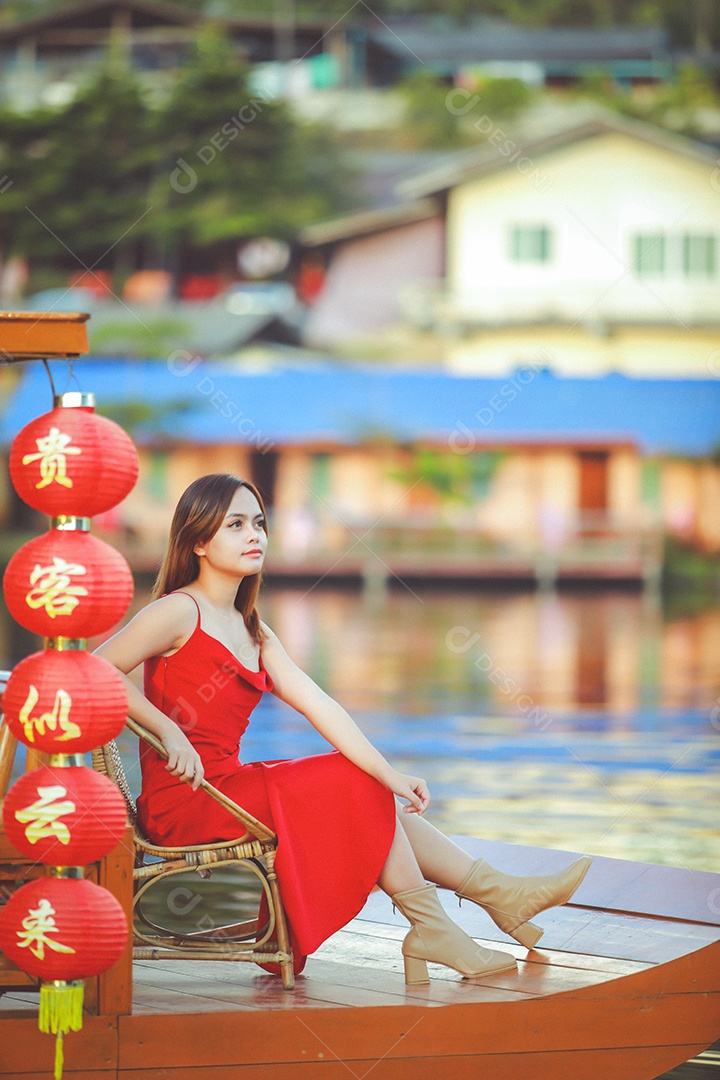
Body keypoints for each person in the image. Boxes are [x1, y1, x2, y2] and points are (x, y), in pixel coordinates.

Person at [95, 473, 591, 985]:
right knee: (352, 782)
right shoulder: (179, 609)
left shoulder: (253, 630)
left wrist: (390, 772)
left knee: (367, 782)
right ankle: (451, 920)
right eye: (236, 525)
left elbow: (323, 707)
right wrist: (165, 730)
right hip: (188, 801)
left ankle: (493, 897)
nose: (255, 536)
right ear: (198, 541)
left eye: (260, 523)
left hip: (231, 787)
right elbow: (95, 669)